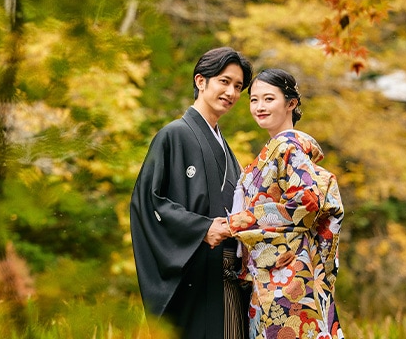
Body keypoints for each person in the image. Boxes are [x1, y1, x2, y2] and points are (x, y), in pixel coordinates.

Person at [130, 47, 253, 339]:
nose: (232, 92)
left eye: (238, 87)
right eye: (224, 81)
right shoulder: (174, 135)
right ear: (201, 81)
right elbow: (149, 203)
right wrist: (202, 229)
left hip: (228, 276)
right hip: (194, 275)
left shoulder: (227, 150)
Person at [222, 68, 345, 339]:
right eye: (254, 100)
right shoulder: (275, 148)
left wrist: (240, 222)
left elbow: (307, 202)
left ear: (291, 103)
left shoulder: (288, 147)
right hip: (269, 273)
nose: (259, 107)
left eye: (269, 99)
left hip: (289, 275)